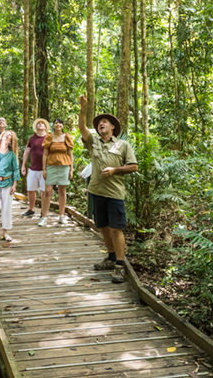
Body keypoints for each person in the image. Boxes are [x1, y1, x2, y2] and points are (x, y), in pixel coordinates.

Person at [78, 95, 138, 283]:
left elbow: (134, 166)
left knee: (115, 229)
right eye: (99, 123)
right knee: (103, 227)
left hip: (114, 194)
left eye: (105, 122)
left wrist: (115, 170)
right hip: (97, 192)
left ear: (113, 127)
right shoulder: (93, 142)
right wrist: (84, 107)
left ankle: (120, 265)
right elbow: (82, 127)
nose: (101, 124)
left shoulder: (123, 145)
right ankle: (111, 258)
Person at [40, 119, 74, 226]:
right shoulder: (49, 137)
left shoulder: (67, 137)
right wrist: (44, 169)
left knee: (62, 191)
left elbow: (70, 154)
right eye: (56, 123)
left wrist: (71, 169)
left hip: (64, 166)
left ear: (62, 125)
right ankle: (44, 217)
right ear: (53, 126)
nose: (58, 124)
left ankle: (61, 215)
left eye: (60, 123)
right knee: (47, 191)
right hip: (51, 166)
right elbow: (45, 154)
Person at [20, 118, 48, 218]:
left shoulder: (49, 137)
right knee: (31, 189)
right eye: (38, 123)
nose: (40, 124)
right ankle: (31, 209)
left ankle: (43, 211)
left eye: (42, 123)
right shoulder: (32, 138)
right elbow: (27, 152)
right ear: (36, 127)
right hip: (33, 168)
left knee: (44, 191)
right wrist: (23, 165)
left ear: (45, 127)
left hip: (45, 169)